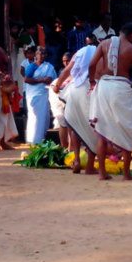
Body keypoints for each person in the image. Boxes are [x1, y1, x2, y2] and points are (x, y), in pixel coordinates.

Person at [88, 22, 132, 180]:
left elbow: (91, 65)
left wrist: (92, 82)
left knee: (102, 132)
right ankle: (126, 173)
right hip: (121, 89)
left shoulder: (104, 43)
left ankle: (102, 173)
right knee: (127, 129)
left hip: (103, 87)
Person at [53, 43, 100, 173]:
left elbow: (66, 70)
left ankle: (77, 160)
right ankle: (90, 165)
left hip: (74, 89)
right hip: (89, 90)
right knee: (92, 127)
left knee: (75, 126)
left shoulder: (79, 53)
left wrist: (57, 85)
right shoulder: (100, 53)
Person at [24, 47, 57, 145]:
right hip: (34, 94)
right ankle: (33, 139)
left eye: (44, 54)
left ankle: (41, 138)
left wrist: (47, 79)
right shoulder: (31, 66)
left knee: (44, 117)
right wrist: (41, 80)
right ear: (36, 55)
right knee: (35, 116)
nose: (42, 56)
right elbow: (26, 79)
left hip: (44, 94)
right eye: (40, 53)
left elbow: (52, 79)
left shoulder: (49, 66)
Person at [49, 51, 72, 150]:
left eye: (68, 61)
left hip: (72, 100)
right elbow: (55, 86)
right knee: (62, 121)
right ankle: (64, 147)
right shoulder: (62, 72)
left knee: (72, 124)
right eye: (64, 61)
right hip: (60, 100)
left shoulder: (77, 72)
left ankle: (71, 148)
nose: (66, 63)